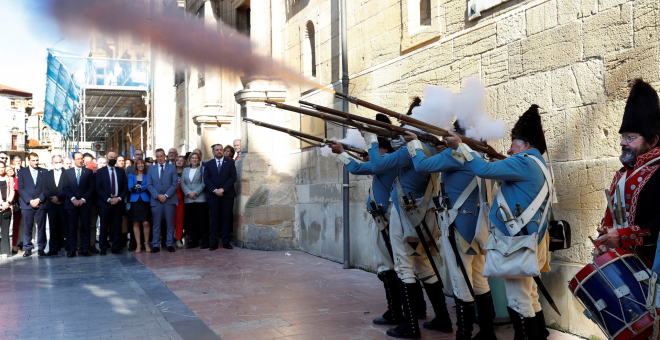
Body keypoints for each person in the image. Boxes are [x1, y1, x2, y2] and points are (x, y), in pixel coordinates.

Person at [445, 105, 552, 340]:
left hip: (518, 242)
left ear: (525, 145)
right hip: (531, 240)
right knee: (529, 296)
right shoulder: (536, 163)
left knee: (519, 300)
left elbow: (481, 169)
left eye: (514, 143)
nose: (509, 148)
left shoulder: (522, 161)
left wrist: (460, 147)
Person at [407, 124, 497, 340]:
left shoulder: (455, 154)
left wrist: (413, 143)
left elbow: (420, 165)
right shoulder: (476, 154)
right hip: (478, 227)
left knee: (460, 281)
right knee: (479, 281)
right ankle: (487, 332)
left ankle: (463, 335)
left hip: (457, 227)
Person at [366, 127, 452, 339]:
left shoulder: (411, 150)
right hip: (424, 216)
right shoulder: (433, 150)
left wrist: (370, 139)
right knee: (425, 268)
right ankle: (443, 319)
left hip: (404, 217)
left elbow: (377, 165)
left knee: (404, 268)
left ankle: (410, 326)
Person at [330, 119, 415, 327]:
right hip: (386, 218)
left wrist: (341, 153)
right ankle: (408, 310)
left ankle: (396, 312)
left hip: (385, 219)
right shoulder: (390, 160)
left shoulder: (386, 160)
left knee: (388, 267)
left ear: (382, 148)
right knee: (398, 267)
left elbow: (357, 168)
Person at [594, 80, 660, 282]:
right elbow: (611, 218)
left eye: (630, 137)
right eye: (623, 137)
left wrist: (624, 236)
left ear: (653, 141)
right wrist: (604, 241)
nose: (623, 143)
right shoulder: (622, 174)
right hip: (624, 270)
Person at [203, 144, 237, 250]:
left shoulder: (230, 162)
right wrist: (215, 190)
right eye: (217, 150)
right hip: (213, 196)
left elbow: (233, 177)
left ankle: (226, 242)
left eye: (221, 150)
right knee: (214, 219)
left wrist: (223, 189)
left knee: (226, 219)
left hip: (227, 195)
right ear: (213, 152)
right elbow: (206, 179)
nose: (219, 152)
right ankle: (214, 242)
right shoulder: (208, 164)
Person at [146, 148, 179, 253]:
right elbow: (149, 184)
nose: (160, 158)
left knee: (170, 224)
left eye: (161, 156)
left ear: (165, 156)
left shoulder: (172, 168)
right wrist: (158, 196)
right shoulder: (151, 169)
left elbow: (175, 183)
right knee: (156, 224)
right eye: (158, 156)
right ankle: (156, 245)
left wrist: (166, 195)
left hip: (169, 200)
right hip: (156, 201)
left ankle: (170, 244)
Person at [63, 152, 95, 257]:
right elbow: (65, 188)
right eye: (77, 159)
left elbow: (91, 188)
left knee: (85, 227)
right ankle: (72, 250)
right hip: (71, 204)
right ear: (73, 160)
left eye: (81, 159)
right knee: (72, 228)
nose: (80, 160)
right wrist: (73, 199)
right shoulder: (67, 172)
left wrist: (83, 199)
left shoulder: (89, 172)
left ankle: (85, 249)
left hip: (85, 204)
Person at [95, 152, 128, 255]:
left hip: (118, 203)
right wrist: (108, 199)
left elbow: (125, 187)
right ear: (107, 159)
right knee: (104, 226)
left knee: (117, 226)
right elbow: (98, 187)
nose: (113, 159)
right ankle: (103, 248)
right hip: (105, 203)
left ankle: (116, 247)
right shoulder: (100, 172)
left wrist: (119, 198)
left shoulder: (121, 171)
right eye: (111, 158)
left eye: (115, 157)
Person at [17, 153, 48, 257]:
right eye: (33, 160)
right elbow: (20, 188)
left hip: (41, 203)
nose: (36, 162)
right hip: (27, 204)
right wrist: (30, 200)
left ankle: (41, 248)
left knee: (41, 227)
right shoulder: (22, 172)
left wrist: (39, 199)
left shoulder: (44, 171)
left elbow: (46, 188)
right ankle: (28, 248)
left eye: (37, 160)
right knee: (27, 227)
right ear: (28, 160)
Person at [181, 152, 209, 249]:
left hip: (200, 199)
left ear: (199, 160)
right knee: (192, 221)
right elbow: (182, 184)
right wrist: (189, 193)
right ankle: (194, 241)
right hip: (189, 199)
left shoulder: (202, 169)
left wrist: (195, 193)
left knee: (202, 221)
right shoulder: (185, 170)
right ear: (189, 160)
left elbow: (204, 183)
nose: (194, 160)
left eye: (196, 158)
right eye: (192, 158)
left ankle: (205, 241)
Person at [43, 155, 68, 256]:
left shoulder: (67, 173)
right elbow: (45, 188)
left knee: (66, 228)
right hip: (52, 205)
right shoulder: (47, 174)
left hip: (63, 204)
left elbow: (68, 187)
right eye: (56, 162)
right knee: (53, 228)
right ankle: (53, 249)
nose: (58, 164)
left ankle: (68, 248)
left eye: (59, 162)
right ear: (52, 163)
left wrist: (59, 198)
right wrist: (53, 199)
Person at [128, 159, 151, 253]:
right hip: (135, 201)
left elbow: (148, 186)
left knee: (146, 223)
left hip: (145, 201)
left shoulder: (148, 175)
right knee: (136, 223)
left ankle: (147, 244)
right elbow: (130, 188)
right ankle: (138, 245)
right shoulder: (131, 175)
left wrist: (140, 187)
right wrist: (141, 187)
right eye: (138, 164)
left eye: (142, 163)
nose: (140, 165)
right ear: (136, 165)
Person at [0, 161, 15, 256]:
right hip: (1, 204)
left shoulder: (9, 178)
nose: (1, 169)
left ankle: (5, 251)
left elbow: (12, 192)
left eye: (2, 167)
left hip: (7, 207)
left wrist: (7, 202)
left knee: (5, 230)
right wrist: (1, 202)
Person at [6, 166, 21, 254]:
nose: (10, 171)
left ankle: (14, 246)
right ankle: (5, 247)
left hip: (16, 205)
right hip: (6, 205)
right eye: (7, 170)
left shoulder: (17, 180)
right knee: (5, 228)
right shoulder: (4, 180)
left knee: (16, 226)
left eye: (11, 169)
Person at [173, 155, 187, 248]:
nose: (179, 161)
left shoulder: (186, 172)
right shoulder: (171, 172)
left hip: (181, 200)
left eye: (181, 160)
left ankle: (178, 239)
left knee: (179, 221)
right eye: (178, 160)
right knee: (171, 222)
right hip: (170, 200)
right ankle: (169, 239)